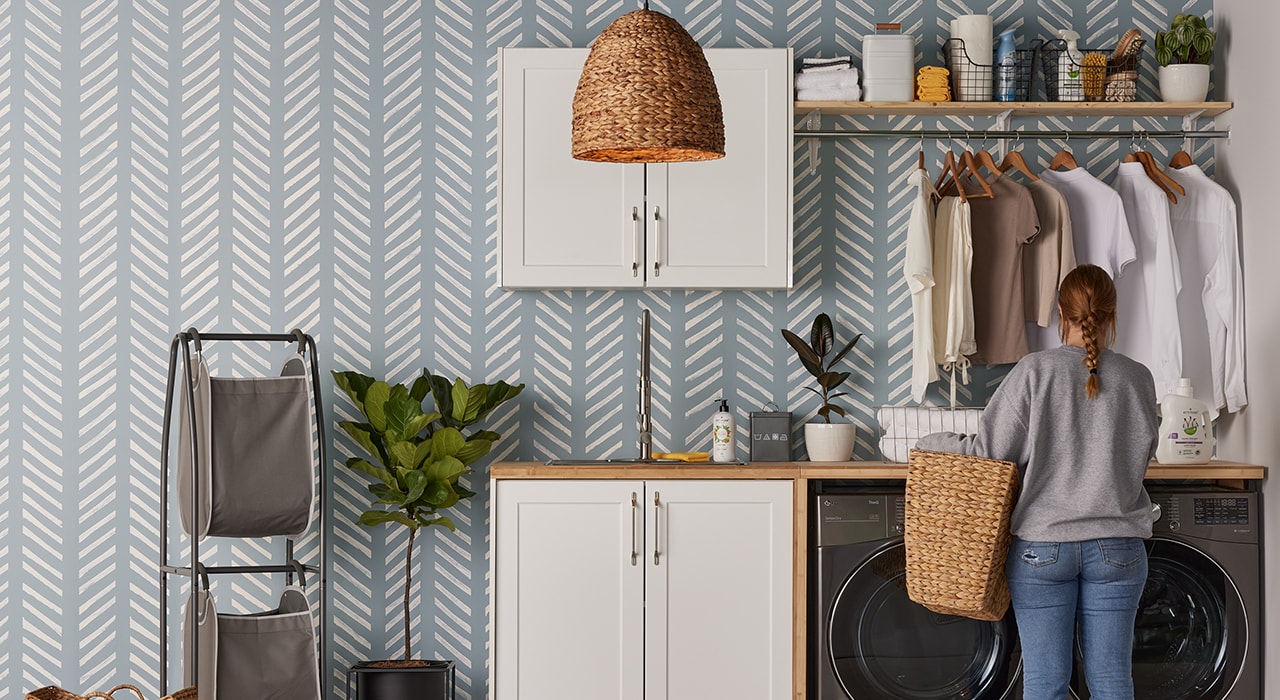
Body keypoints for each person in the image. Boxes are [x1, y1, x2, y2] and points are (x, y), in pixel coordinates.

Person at [916, 264, 1158, 699]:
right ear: (1112, 316)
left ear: (1060, 314)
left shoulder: (1034, 372)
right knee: (1113, 682)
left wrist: (931, 440)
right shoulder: (1138, 378)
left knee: (1046, 684)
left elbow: (987, 453)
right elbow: (1141, 458)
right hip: (1119, 548)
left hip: (1042, 552)